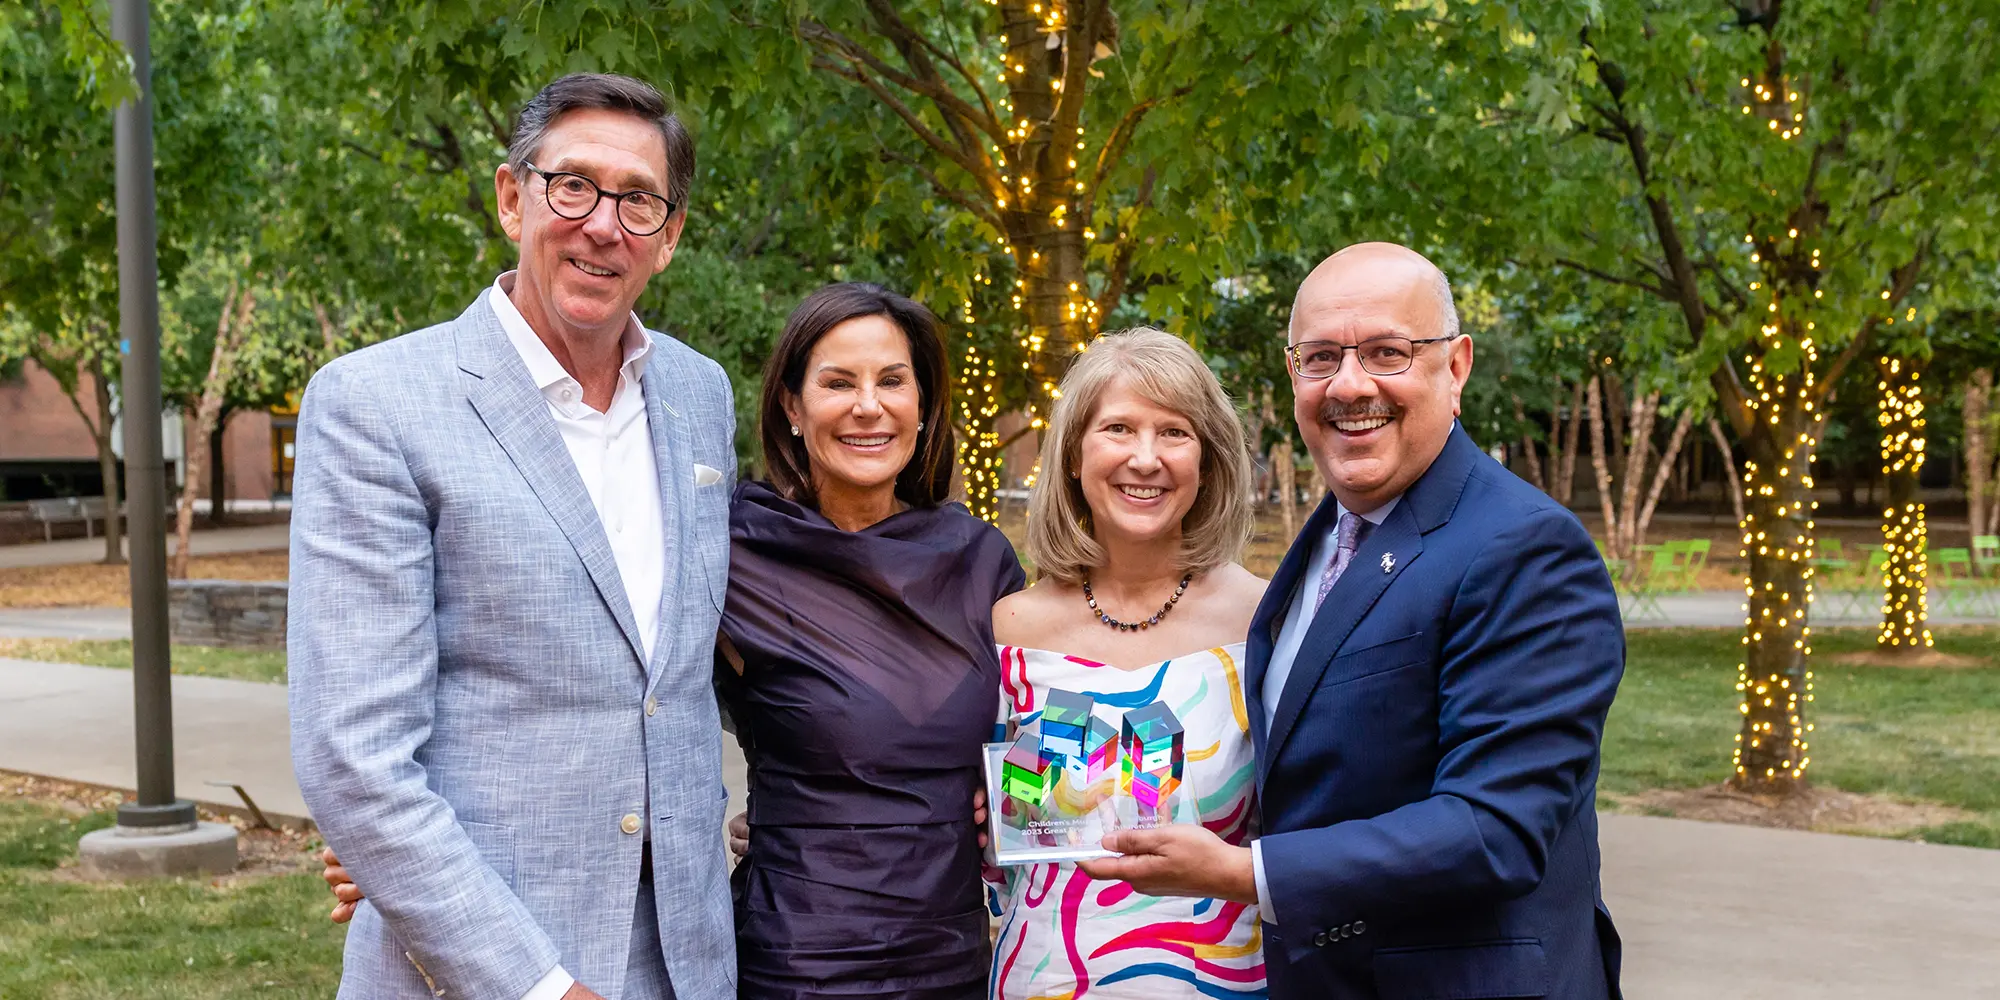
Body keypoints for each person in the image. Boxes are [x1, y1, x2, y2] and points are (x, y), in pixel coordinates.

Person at [290, 73, 735, 1000]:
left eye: (640, 200)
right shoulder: (376, 405)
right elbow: (356, 758)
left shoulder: (700, 396)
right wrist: (536, 985)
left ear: (671, 235)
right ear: (510, 197)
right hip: (479, 969)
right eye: (572, 185)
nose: (603, 224)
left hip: (686, 963)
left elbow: (687, 680)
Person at [1082, 243, 1626, 1000]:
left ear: (1457, 365)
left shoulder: (1525, 548)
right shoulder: (1328, 538)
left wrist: (1246, 874)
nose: (1350, 384)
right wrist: (1033, 796)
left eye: (1387, 353)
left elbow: (1495, 830)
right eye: (1321, 357)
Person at [716, 283, 1025, 999]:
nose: (868, 405)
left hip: (952, 951)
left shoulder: (980, 561)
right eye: (837, 383)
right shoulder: (736, 552)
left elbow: (1032, 744)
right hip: (799, 956)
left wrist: (1005, 795)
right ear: (792, 406)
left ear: (922, 405)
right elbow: (641, 702)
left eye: (892, 380)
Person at [988, 328, 1269, 998]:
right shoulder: (1011, 625)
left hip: (1221, 978)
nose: (1145, 458)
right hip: (1045, 977)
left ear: (1208, 461)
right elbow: (999, 819)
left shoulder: (1268, 621)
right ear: (1074, 458)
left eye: (1174, 432)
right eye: (1118, 428)